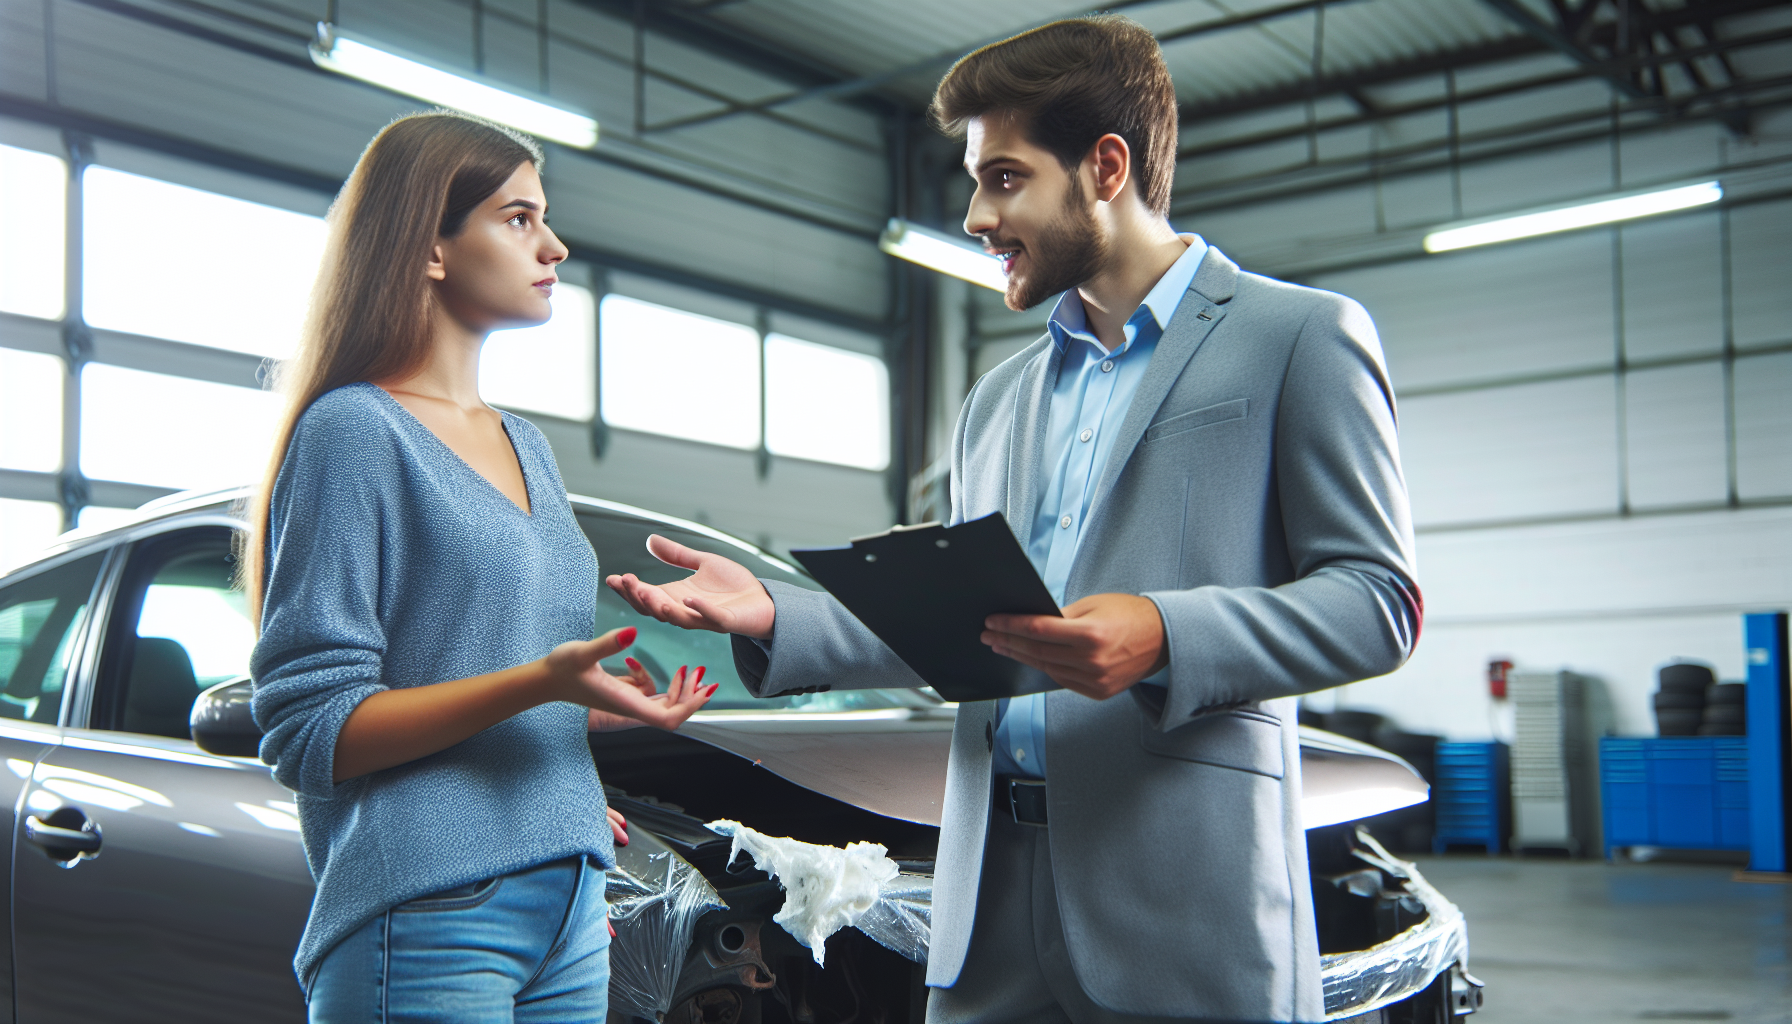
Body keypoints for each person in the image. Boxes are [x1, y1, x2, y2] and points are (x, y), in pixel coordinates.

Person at [607, 15, 1420, 1024]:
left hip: (1180, 899)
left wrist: (1165, 634)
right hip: (988, 907)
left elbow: (1376, 600)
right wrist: (776, 614)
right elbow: (972, 634)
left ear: (1105, 166)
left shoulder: (1297, 339)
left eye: (1002, 178)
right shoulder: (997, 401)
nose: (976, 216)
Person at [246, 111, 716, 1024]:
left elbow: (483, 674)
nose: (556, 244)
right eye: (519, 218)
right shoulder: (353, 432)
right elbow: (311, 731)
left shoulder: (527, 445)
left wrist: (581, 727)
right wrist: (540, 683)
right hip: (430, 907)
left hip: (570, 900)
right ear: (430, 248)